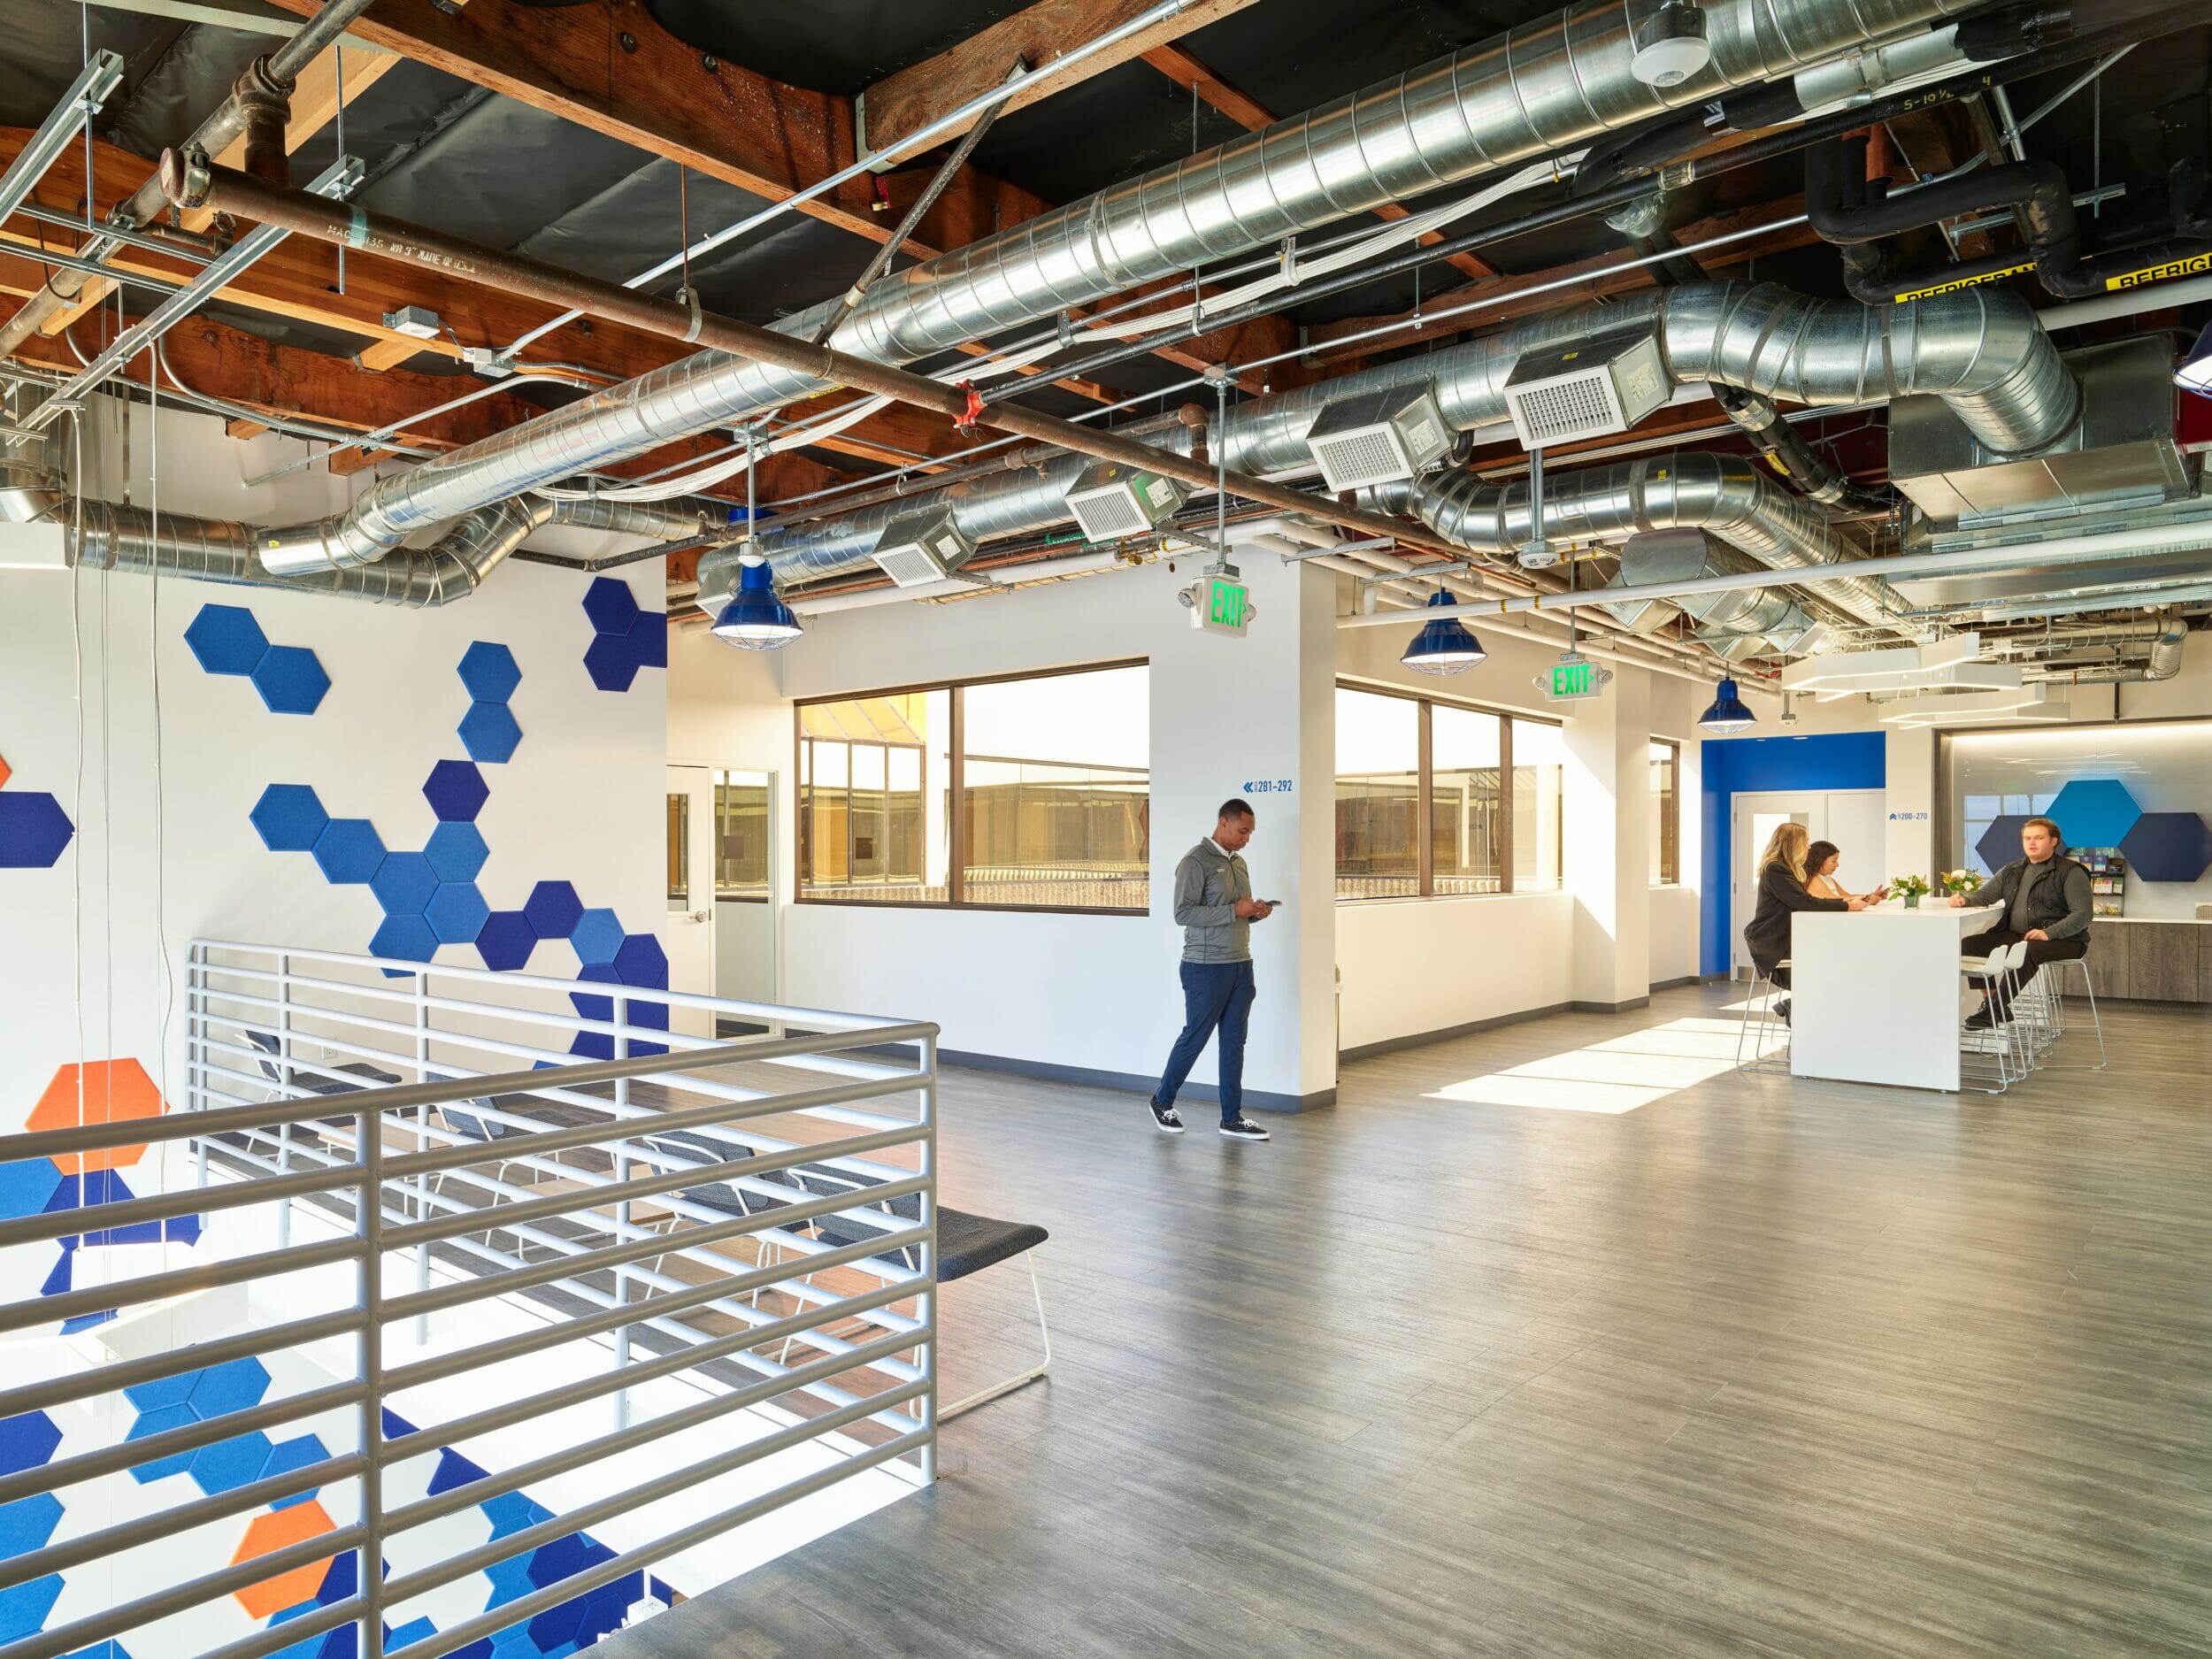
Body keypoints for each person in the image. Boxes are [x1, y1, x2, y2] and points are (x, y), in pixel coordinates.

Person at [1148, 799, 1276, 1141]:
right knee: (1196, 1037)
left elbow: (1234, 911)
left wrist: (1253, 912)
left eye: (1250, 832)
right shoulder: (1195, 861)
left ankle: (1231, 1118)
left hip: (1240, 964)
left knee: (1234, 1042)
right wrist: (1234, 909)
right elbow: (1183, 914)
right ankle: (1162, 1101)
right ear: (1223, 823)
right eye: (1242, 831)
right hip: (1204, 967)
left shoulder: (1240, 863)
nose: (1247, 838)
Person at [1949, 815, 2092, 1029]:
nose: (2032, 843)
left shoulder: (2071, 872)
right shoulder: (2012, 869)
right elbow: (1985, 895)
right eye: (2027, 838)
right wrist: (1964, 900)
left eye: (2039, 838)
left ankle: (1994, 1010)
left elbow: (2082, 915)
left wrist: (2049, 933)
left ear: (2054, 841)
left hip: (2067, 939)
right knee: (1970, 945)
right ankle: (1995, 1005)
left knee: (2026, 951)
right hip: (2019, 935)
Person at [1742, 822, 1869, 1023]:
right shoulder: (1775, 869)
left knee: (1833, 963)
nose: (1809, 847)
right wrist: (1848, 907)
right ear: (1793, 844)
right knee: (1830, 965)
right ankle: (1801, 1008)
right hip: (1774, 941)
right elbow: (1803, 902)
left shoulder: (1786, 869)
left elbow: (1806, 901)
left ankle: (1799, 1006)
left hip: (1786, 936)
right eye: (1807, 841)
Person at [1803, 841, 1888, 904]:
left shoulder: (1829, 879)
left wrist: (1871, 896)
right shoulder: (1814, 880)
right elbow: (1835, 899)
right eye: (1834, 861)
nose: (1837, 865)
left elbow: (1847, 896)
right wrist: (1869, 898)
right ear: (1819, 860)